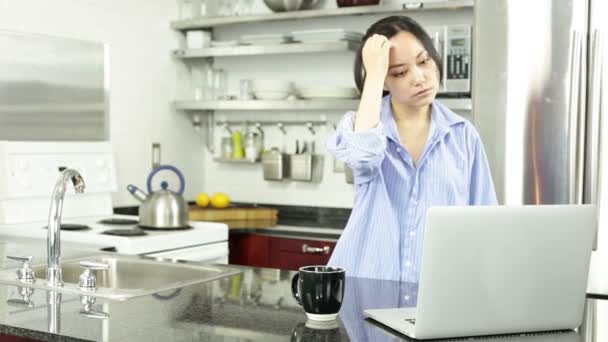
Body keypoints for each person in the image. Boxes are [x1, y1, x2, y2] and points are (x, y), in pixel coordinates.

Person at [327, 16, 497, 283]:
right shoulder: (363, 126)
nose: (419, 78)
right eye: (399, 72)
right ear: (383, 80)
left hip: (438, 292)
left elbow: (486, 224)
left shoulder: (463, 135)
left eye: (424, 61)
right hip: (364, 287)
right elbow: (362, 156)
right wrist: (372, 73)